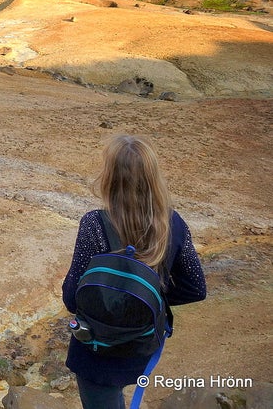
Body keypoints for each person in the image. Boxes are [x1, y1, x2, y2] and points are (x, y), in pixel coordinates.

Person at [62, 135, 207, 409]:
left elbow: (72, 299)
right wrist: (147, 300)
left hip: (95, 350)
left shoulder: (94, 224)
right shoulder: (172, 223)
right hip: (141, 343)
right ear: (153, 177)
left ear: (109, 177)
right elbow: (195, 289)